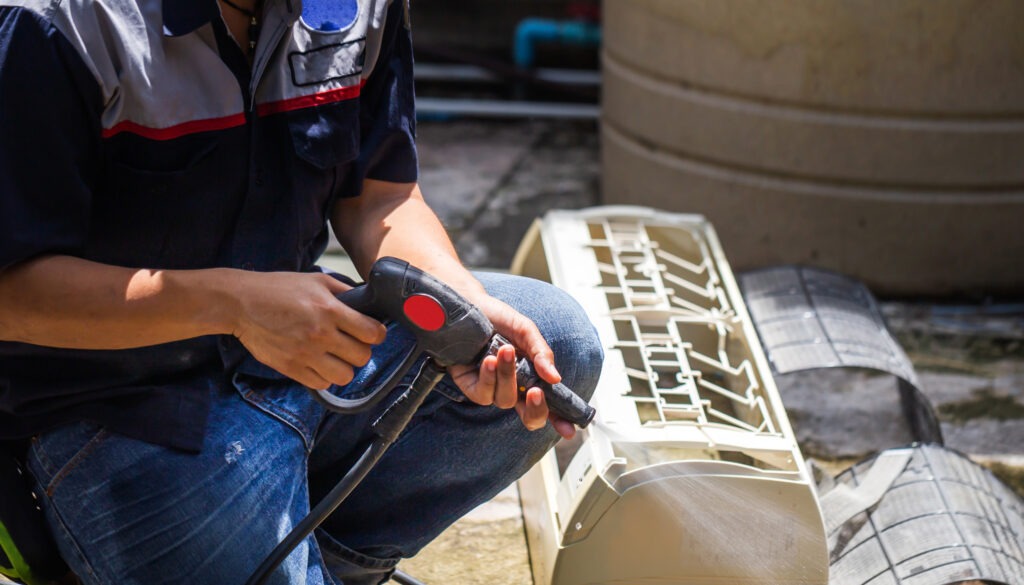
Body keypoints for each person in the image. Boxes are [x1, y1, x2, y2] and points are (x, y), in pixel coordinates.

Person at [0, 0, 603, 583]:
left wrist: (461, 308)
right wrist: (234, 305)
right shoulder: (58, 22)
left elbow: (380, 198)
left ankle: (314, 562)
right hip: (120, 415)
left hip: (302, 367)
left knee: (559, 346)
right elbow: (11, 294)